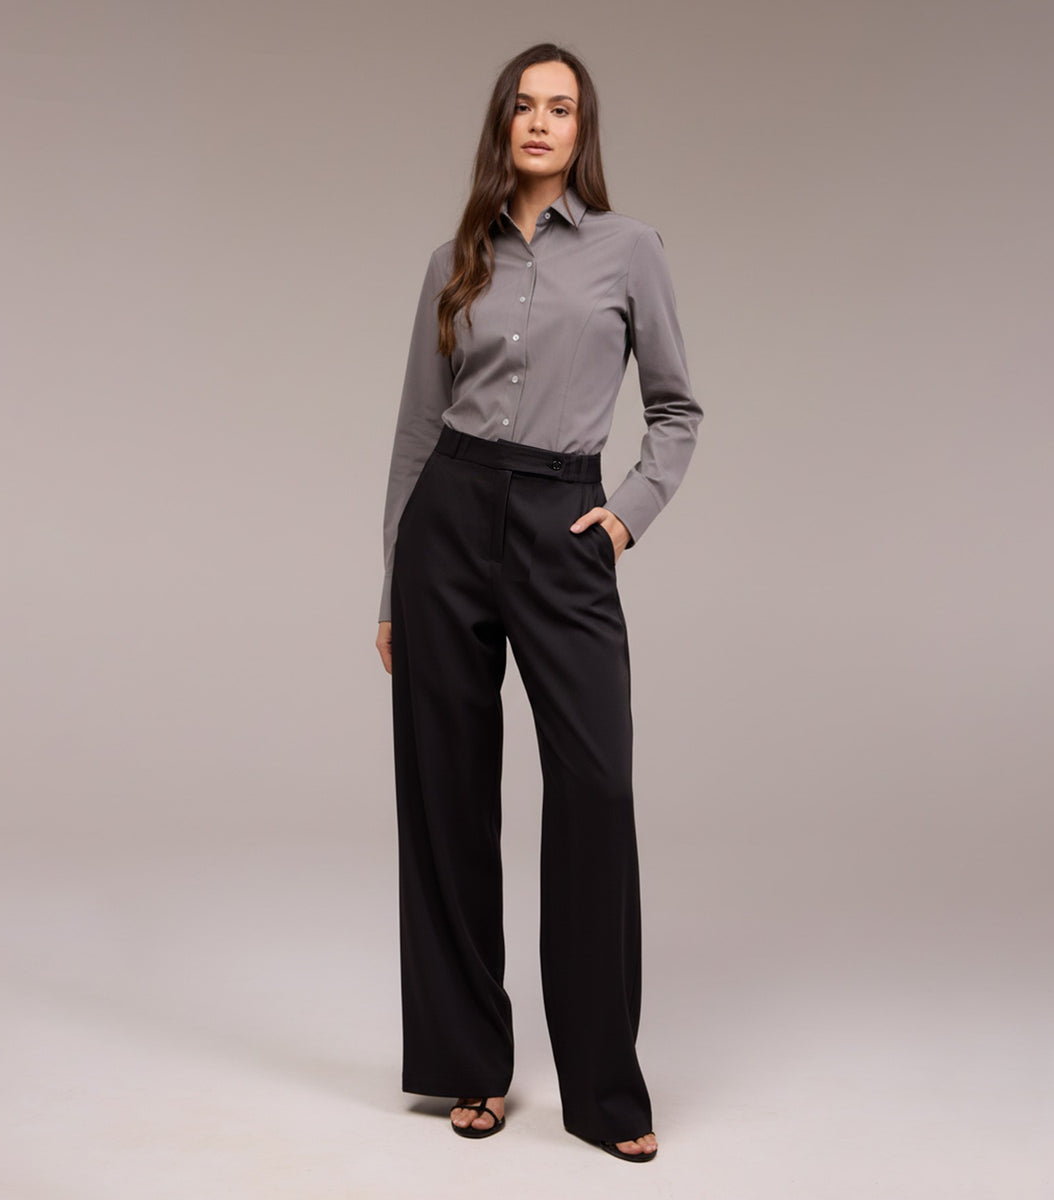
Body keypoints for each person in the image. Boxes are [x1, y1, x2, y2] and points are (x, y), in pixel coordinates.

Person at [374, 41, 702, 1163]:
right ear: (502, 123)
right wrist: (393, 582)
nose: (541, 121)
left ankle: (605, 1091)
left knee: (596, 789)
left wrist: (626, 515)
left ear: (582, 129)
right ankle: (468, 1064)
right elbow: (417, 431)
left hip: (565, 519)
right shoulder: (453, 258)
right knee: (447, 794)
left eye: (561, 107)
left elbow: (677, 410)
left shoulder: (629, 249)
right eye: (524, 104)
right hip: (449, 518)